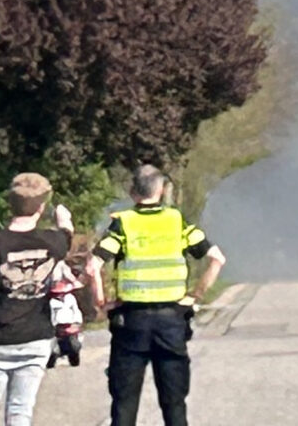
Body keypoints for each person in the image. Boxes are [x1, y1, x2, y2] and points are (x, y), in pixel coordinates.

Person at [91, 167, 222, 426]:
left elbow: (92, 265)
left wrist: (103, 302)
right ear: (161, 190)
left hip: (131, 322)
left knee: (124, 404)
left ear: (132, 191)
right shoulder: (176, 220)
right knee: (174, 404)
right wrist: (194, 296)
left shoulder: (123, 222)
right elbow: (217, 259)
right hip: (172, 322)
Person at [0, 170, 72, 426]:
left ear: (10, 204)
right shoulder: (53, 241)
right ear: (41, 207)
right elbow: (67, 235)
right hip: (35, 338)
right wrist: (63, 218)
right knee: (20, 412)